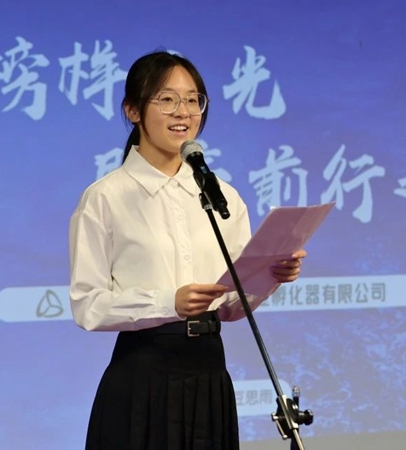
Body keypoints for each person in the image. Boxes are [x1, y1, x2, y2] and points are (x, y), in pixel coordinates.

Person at [69, 50, 306, 450]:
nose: (183, 112)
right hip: (143, 376)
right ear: (133, 110)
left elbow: (230, 306)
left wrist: (271, 276)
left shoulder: (221, 196)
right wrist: (170, 303)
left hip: (210, 373)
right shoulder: (105, 197)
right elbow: (88, 305)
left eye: (194, 100)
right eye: (167, 99)